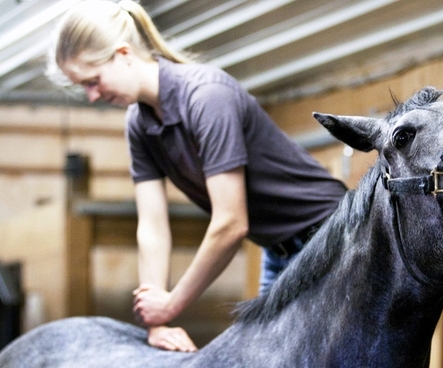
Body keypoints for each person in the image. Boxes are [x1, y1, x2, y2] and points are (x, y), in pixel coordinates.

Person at [48, 0, 347, 353]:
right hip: (278, 248)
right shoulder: (139, 124)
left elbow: (231, 223)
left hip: (333, 236)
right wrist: (157, 320)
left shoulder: (207, 96)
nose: (92, 96)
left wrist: (173, 302)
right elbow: (152, 225)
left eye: (93, 81)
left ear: (124, 53)